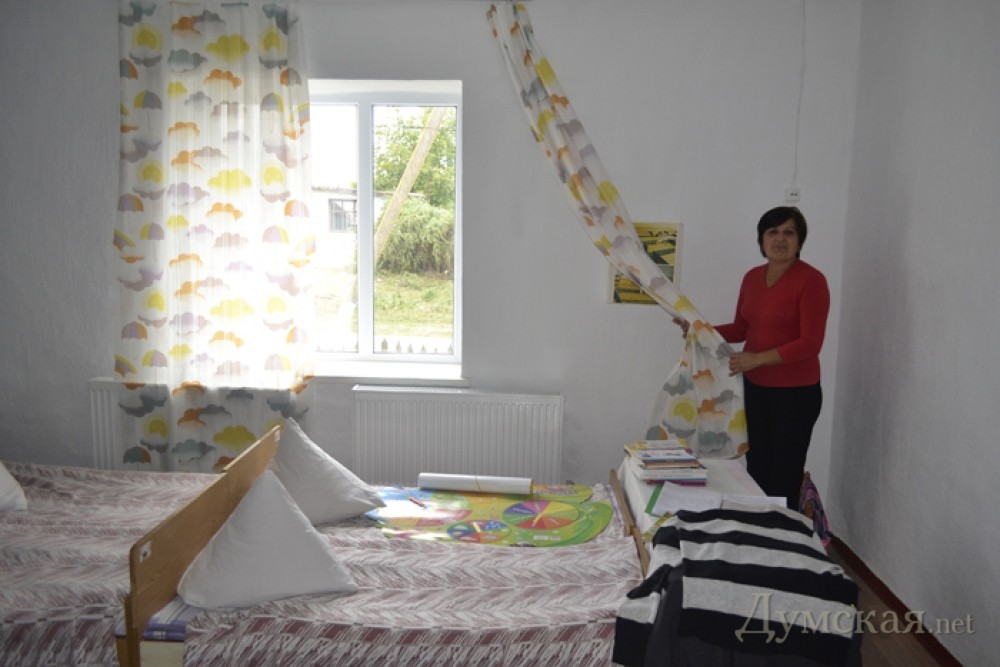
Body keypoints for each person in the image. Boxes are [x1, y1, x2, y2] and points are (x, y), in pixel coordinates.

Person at [676, 206, 829, 510]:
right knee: (756, 468)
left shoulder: (811, 280)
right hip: (756, 390)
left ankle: (781, 532)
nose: (780, 239)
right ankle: (757, 528)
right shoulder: (751, 278)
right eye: (772, 232)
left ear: (800, 240)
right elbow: (741, 328)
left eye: (789, 232)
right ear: (761, 240)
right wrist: (699, 329)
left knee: (784, 473)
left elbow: (810, 344)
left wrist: (757, 359)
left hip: (796, 396)